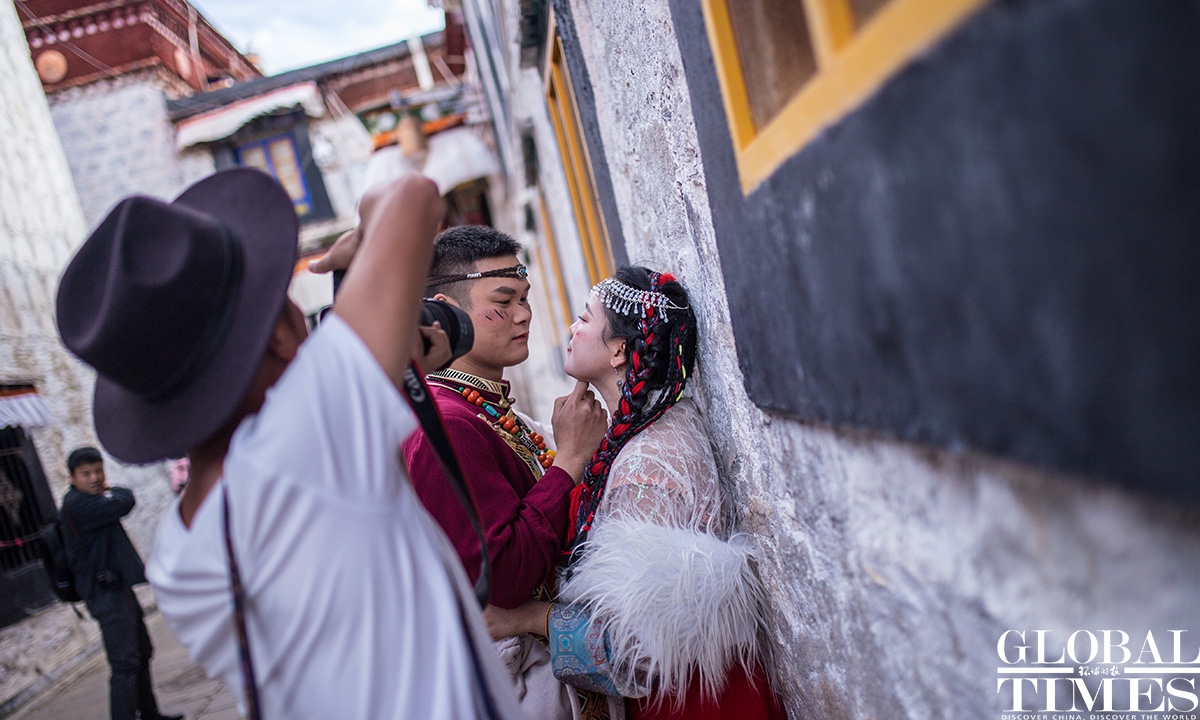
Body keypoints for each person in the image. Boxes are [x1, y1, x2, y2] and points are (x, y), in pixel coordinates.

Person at [55, 168, 522, 719]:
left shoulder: (175, 561)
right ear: (279, 334)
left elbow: (372, 520)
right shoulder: (306, 440)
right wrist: (364, 239)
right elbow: (412, 194)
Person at [483, 267, 785, 720]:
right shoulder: (642, 428)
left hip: (691, 703)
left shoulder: (646, 466)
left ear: (619, 349)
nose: (572, 328)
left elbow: (634, 651)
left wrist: (525, 618)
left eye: (585, 319)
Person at [403, 225, 608, 718]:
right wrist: (570, 462)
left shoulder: (479, 406)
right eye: (504, 299)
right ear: (446, 310)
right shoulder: (448, 424)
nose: (523, 315)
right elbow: (506, 576)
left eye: (525, 297)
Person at [60, 446, 182, 720]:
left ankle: (149, 714)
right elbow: (125, 500)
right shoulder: (78, 505)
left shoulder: (94, 501)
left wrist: (108, 491)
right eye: (86, 473)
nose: (94, 478)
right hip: (104, 595)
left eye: (98, 471)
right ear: (72, 478)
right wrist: (110, 489)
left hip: (118, 589)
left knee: (141, 651)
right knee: (125, 662)